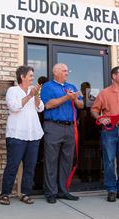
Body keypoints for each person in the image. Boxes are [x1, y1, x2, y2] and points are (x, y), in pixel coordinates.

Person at [0, 66, 44, 205]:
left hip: (33, 135)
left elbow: (40, 108)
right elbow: (14, 107)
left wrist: (35, 95)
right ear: (22, 77)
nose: (33, 78)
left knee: (30, 167)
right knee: (12, 165)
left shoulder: (33, 92)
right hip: (16, 135)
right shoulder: (12, 91)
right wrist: (30, 95)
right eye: (30, 75)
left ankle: (25, 193)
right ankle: (5, 194)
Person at [91, 66, 119, 202]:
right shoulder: (104, 93)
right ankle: (111, 189)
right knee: (109, 161)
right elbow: (94, 109)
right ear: (114, 76)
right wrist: (100, 118)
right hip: (109, 131)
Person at [40, 63, 83, 204]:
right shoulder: (48, 86)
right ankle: (51, 192)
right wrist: (66, 98)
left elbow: (81, 105)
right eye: (64, 71)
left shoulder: (71, 86)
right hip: (53, 127)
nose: (67, 73)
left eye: (67, 70)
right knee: (51, 160)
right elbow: (47, 105)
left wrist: (75, 98)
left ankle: (63, 190)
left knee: (67, 161)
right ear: (56, 72)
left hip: (70, 128)